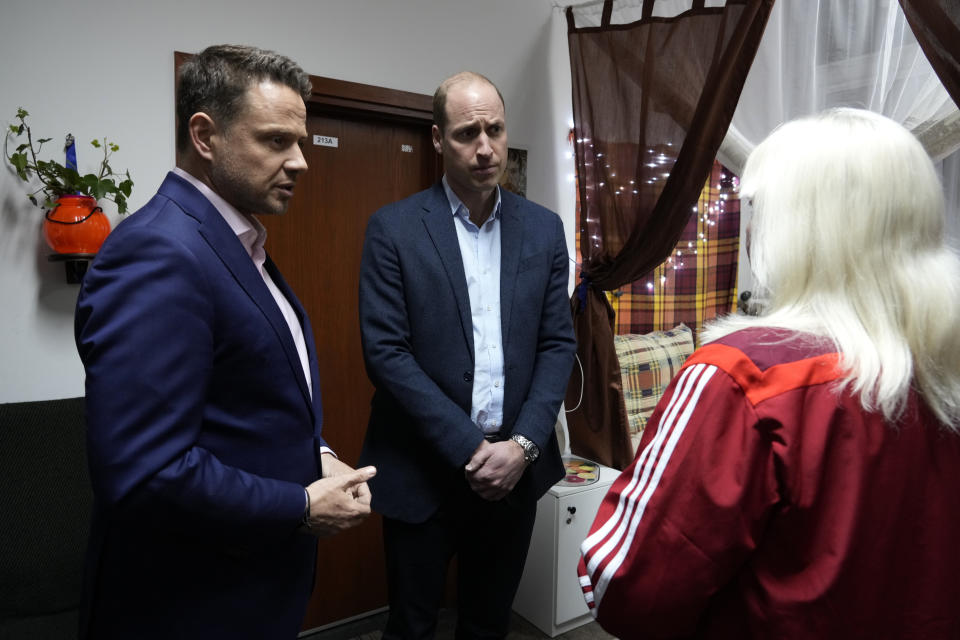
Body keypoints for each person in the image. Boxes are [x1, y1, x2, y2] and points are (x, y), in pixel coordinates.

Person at [578, 108, 960, 638]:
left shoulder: (741, 376)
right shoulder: (942, 366)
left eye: (762, 207)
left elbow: (629, 587)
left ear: (807, 225)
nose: (753, 227)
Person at [74, 44, 376, 639]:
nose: (300, 163)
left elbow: (241, 400)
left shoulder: (235, 242)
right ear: (205, 136)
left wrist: (313, 453)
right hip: (189, 603)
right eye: (275, 141)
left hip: (249, 588)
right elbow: (144, 472)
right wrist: (301, 506)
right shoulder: (159, 252)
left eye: (301, 143)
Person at [357, 71, 577, 639]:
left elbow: (557, 344)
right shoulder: (394, 229)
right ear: (437, 139)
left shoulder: (544, 231)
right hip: (422, 470)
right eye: (466, 133)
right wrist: (473, 449)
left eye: (495, 130)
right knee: (411, 624)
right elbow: (386, 354)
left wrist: (523, 446)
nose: (484, 148)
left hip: (514, 473)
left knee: (487, 623)